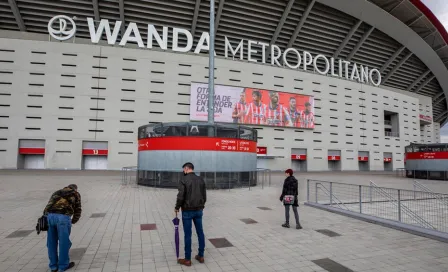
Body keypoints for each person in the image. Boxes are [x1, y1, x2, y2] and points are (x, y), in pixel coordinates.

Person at [43, 184, 82, 272]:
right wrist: (73, 221)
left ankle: (53, 266)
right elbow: (78, 209)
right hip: (63, 218)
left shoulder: (57, 192)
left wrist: (47, 217)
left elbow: (48, 206)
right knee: (64, 243)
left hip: (50, 216)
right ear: (75, 189)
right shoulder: (75, 194)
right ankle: (63, 265)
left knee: (51, 242)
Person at [175, 162, 207, 267]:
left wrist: (177, 207)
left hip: (187, 211)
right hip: (199, 210)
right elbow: (204, 196)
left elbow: (180, 196)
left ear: (187, 168)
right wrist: (201, 205)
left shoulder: (183, 180)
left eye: (184, 169)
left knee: (188, 235)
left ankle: (187, 259)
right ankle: (201, 256)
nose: (183, 171)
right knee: (200, 232)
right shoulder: (200, 179)